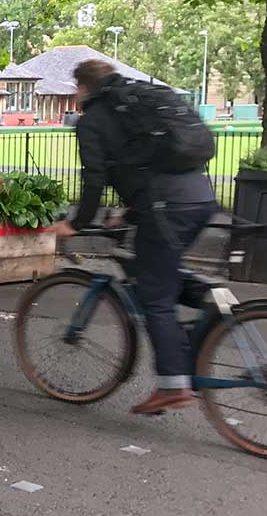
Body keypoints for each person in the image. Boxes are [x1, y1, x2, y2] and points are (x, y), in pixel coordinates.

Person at [48, 60, 217, 415]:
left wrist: (76, 224)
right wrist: (130, 211)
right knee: (156, 269)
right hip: (199, 197)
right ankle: (212, 299)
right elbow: (145, 165)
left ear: (81, 88)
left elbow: (94, 179)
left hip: (165, 206)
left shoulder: (93, 119)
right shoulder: (138, 102)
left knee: (155, 296)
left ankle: (173, 383)